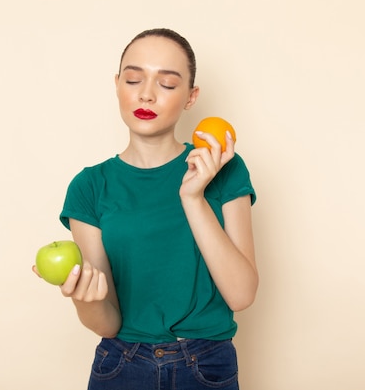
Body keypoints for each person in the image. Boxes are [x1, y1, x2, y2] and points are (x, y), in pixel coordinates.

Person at [33, 28, 258, 390]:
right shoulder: (90, 186)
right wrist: (83, 297)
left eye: (167, 84)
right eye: (134, 79)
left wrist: (193, 198)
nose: (147, 94)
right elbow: (106, 322)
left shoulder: (223, 168)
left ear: (190, 97)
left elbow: (242, 294)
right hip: (121, 366)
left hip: (207, 366)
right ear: (117, 84)